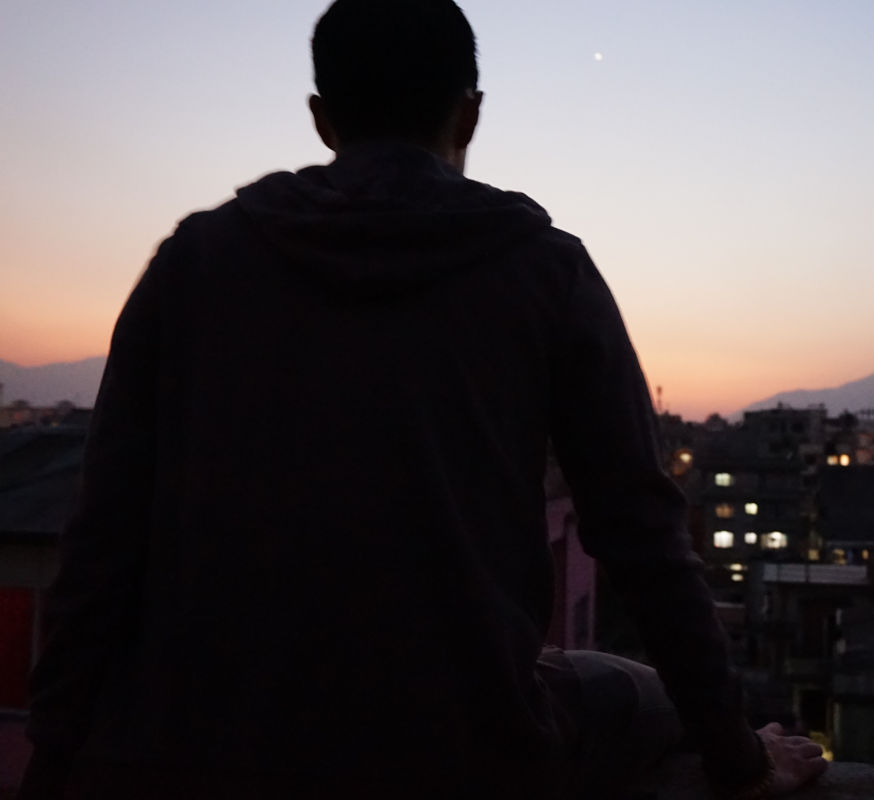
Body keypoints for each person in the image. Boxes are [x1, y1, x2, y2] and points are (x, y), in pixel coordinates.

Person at [18, 1, 828, 797]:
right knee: (634, 691)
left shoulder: (194, 262)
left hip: (201, 740)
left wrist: (53, 754)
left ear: (322, 118)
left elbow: (103, 539)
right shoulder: (544, 271)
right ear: (469, 115)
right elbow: (642, 536)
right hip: (468, 748)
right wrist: (742, 762)